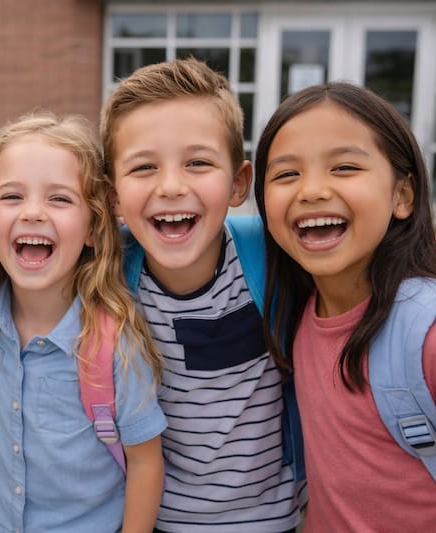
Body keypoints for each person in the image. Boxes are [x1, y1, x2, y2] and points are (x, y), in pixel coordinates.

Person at [101, 57, 307, 532]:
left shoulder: (274, 258)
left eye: (198, 163)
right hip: (157, 519)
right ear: (113, 197)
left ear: (238, 183)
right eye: (144, 167)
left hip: (271, 519)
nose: (172, 186)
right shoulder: (108, 275)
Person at [0, 112, 166, 533]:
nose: (33, 212)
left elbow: (146, 462)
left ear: (93, 227)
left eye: (59, 199)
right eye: (12, 196)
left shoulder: (116, 343)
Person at [254, 82, 436, 531]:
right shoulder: (297, 311)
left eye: (344, 167)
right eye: (286, 174)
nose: (312, 190)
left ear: (403, 195)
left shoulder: (430, 335)